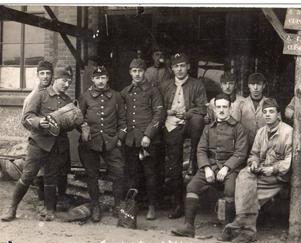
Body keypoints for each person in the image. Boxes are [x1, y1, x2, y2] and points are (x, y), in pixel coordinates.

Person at [2, 65, 76, 222]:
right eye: (64, 80)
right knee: (28, 175)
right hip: (39, 143)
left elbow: (70, 123)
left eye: (69, 81)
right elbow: (26, 118)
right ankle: (12, 208)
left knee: (50, 177)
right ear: (56, 80)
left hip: (56, 146)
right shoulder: (40, 95)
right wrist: (38, 122)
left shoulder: (67, 100)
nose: (67, 84)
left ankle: (49, 211)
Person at [171, 94, 248, 237]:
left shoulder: (238, 128)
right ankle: (188, 226)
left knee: (230, 190)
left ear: (230, 109)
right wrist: (206, 168)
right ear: (214, 109)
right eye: (218, 107)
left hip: (229, 169)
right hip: (210, 166)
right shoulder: (208, 128)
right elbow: (201, 150)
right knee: (192, 186)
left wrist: (226, 168)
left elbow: (241, 153)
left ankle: (228, 229)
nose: (222, 110)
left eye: (225, 107)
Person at [222, 99, 293, 243]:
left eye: (271, 112)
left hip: (279, 176)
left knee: (247, 191)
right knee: (244, 173)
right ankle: (244, 227)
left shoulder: (288, 132)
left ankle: (242, 226)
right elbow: (254, 153)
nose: (267, 115)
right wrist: (253, 162)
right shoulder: (261, 132)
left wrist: (273, 168)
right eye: (265, 112)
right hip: (261, 173)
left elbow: (289, 161)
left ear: (278, 115)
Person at [161, 52, 207, 219]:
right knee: (174, 165)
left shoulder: (197, 84)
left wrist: (187, 114)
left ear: (188, 67)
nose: (179, 69)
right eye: (176, 66)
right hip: (171, 125)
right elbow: (158, 107)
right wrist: (169, 111)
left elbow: (203, 108)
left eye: (182, 66)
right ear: (172, 69)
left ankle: (194, 157)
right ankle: (178, 205)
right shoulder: (165, 85)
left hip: (188, 124)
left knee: (196, 120)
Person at [78, 66, 126, 222]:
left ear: (107, 79)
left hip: (111, 141)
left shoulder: (117, 96)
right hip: (90, 142)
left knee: (118, 173)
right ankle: (95, 206)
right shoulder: (85, 97)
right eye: (97, 78)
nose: (100, 81)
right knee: (92, 175)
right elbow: (78, 119)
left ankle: (118, 206)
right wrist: (83, 129)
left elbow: (123, 120)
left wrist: (119, 137)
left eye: (103, 78)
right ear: (92, 79)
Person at [120, 58, 164, 220]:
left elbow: (159, 114)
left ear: (144, 72)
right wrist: (122, 136)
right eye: (134, 71)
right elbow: (122, 116)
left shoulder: (153, 91)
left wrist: (148, 135)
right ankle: (132, 207)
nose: (137, 74)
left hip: (148, 141)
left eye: (140, 71)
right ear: (130, 72)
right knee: (131, 174)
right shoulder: (125, 92)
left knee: (150, 174)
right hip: (131, 140)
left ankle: (152, 207)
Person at [236, 72, 273, 149]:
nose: (255, 88)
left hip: (265, 144)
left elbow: (277, 125)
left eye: (259, 84)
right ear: (249, 86)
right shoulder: (241, 104)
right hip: (245, 145)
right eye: (253, 84)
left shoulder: (270, 102)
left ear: (264, 86)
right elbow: (236, 126)